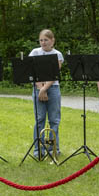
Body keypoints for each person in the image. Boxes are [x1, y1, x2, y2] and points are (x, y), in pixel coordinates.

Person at [29, 29, 64, 158]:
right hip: (38, 88)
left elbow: (55, 74)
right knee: (40, 119)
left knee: (54, 120)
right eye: (41, 40)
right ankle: (38, 150)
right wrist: (40, 88)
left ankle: (53, 148)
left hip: (53, 88)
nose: (43, 42)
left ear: (52, 40)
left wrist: (45, 88)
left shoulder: (57, 54)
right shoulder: (35, 52)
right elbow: (32, 72)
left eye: (46, 40)